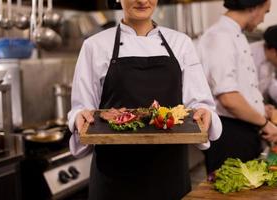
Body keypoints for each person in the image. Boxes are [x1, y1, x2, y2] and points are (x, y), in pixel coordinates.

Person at [68, 0, 222, 199]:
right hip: (113, 172)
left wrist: (203, 112)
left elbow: (200, 102)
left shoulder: (180, 43)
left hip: (168, 170)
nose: (142, 0)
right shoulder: (94, 45)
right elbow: (82, 107)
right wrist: (80, 117)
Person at [197, 0, 277, 174]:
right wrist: (266, 124)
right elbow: (228, 98)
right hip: (229, 134)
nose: (263, 19)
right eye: (265, 11)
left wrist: (261, 108)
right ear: (253, 7)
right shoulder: (220, 36)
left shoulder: (235, 34)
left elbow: (242, 89)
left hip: (245, 129)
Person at [250, 25, 277, 118]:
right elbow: (243, 91)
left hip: (258, 109)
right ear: (273, 51)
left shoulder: (270, 58)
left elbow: (270, 83)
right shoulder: (250, 55)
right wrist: (261, 107)